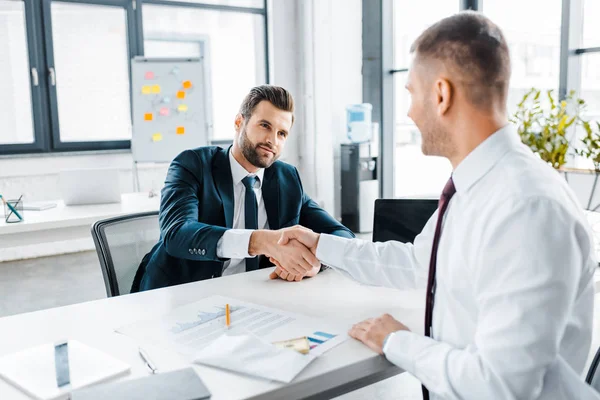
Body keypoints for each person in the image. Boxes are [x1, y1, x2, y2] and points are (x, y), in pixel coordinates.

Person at [271, 11, 599, 400]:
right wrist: (321, 244)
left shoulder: (525, 206)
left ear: (441, 94)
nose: (408, 111)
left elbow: (501, 386)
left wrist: (399, 342)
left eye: (411, 92)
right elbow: (417, 262)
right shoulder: (473, 187)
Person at [131, 85, 354, 292]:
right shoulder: (192, 165)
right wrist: (262, 241)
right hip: (181, 293)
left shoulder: (286, 178)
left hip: (252, 294)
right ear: (239, 122)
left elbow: (343, 236)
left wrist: (316, 263)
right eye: (265, 126)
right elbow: (176, 234)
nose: (272, 140)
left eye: (281, 133)